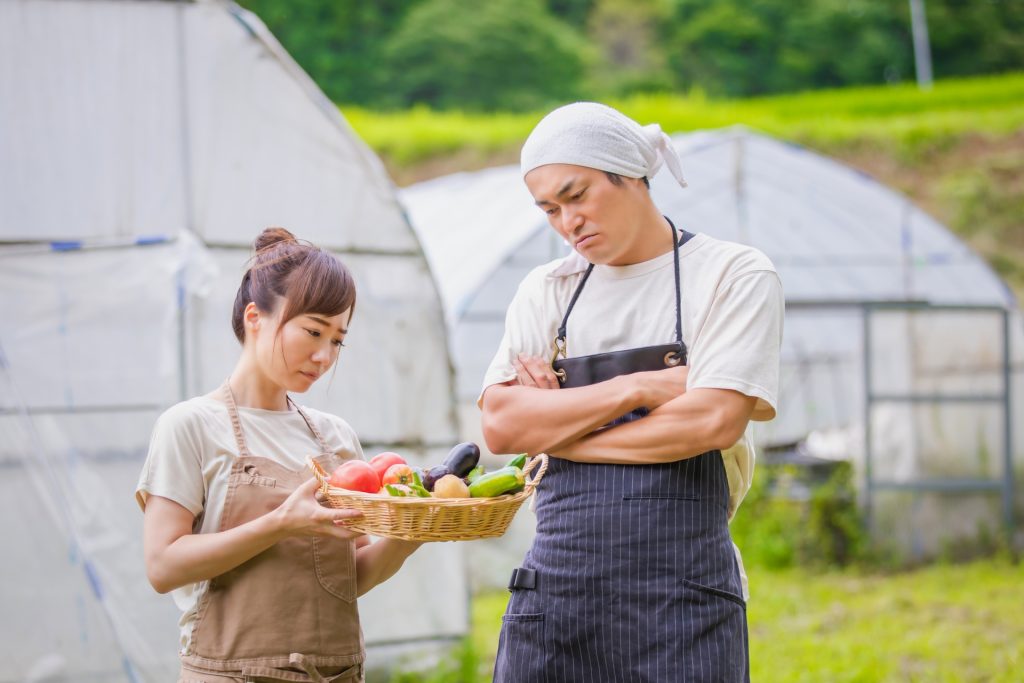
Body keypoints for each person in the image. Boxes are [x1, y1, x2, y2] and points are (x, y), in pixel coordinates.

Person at [479, 103, 784, 682]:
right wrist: (642, 386)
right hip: (555, 596)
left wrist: (561, 433)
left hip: (684, 598)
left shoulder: (731, 274)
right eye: (549, 210)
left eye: (578, 196)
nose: (567, 222)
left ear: (630, 175)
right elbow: (502, 427)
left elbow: (712, 422)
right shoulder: (548, 289)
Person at [136, 228, 419, 683]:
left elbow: (351, 578)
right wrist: (280, 523)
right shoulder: (190, 426)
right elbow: (163, 566)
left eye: (338, 340)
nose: (325, 355)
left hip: (335, 673)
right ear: (255, 317)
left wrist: (413, 532)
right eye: (313, 331)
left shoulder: (335, 438)